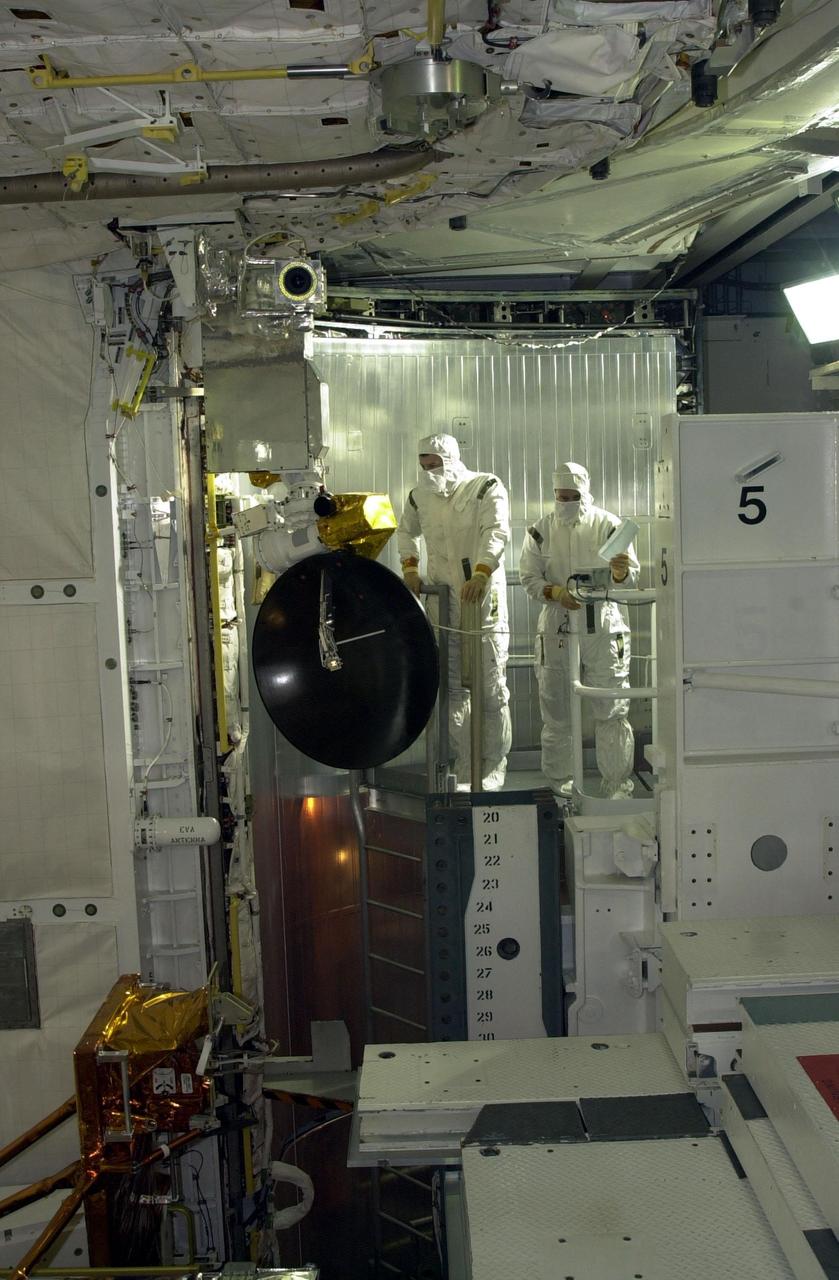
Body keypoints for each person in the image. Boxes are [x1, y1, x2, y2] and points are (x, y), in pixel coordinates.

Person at [397, 433, 512, 790]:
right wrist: (411, 568)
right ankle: (465, 769)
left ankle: (492, 769)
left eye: (434, 464)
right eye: (423, 465)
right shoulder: (420, 497)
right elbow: (407, 531)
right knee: (450, 690)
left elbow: (496, 530)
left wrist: (483, 571)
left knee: (489, 689)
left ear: (450, 459)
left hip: (478, 599)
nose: (429, 471)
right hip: (442, 603)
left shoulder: (484, 487)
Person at [519, 461, 639, 798]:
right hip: (557, 625)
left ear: (585, 492)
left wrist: (619, 572)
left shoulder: (609, 525)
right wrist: (554, 592)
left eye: (573, 496)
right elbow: (529, 577)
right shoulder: (540, 531)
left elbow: (632, 577)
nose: (566, 502)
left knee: (612, 707)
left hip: (602, 624)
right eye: (561, 496)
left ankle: (617, 785)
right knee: (556, 710)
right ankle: (561, 786)